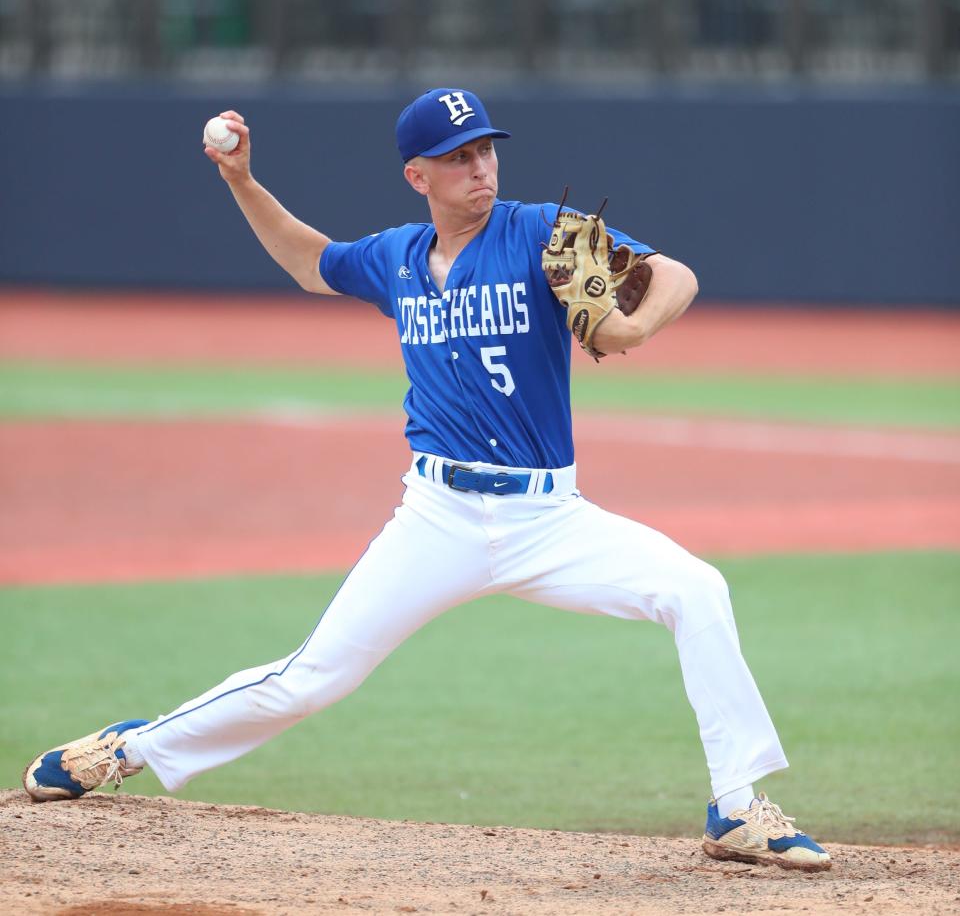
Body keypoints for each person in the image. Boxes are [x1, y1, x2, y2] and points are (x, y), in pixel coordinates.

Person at [23, 88, 830, 872]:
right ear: (419, 174)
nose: (481, 167)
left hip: (550, 520)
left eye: (485, 149)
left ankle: (736, 805)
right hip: (437, 517)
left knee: (695, 589)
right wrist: (241, 180)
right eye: (458, 156)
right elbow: (310, 261)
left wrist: (633, 324)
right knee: (311, 678)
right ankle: (128, 747)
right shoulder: (397, 258)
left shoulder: (542, 231)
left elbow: (676, 273)